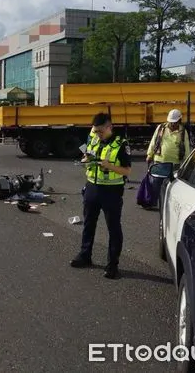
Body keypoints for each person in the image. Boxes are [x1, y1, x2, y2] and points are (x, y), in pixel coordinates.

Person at [70, 112, 132, 279]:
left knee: (113, 228)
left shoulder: (121, 144)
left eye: (100, 131)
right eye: (95, 131)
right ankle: (85, 255)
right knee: (89, 223)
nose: (97, 134)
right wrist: (85, 160)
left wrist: (109, 166)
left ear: (109, 127)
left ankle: (112, 265)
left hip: (111, 191)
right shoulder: (95, 140)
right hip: (92, 187)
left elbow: (127, 170)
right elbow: (86, 156)